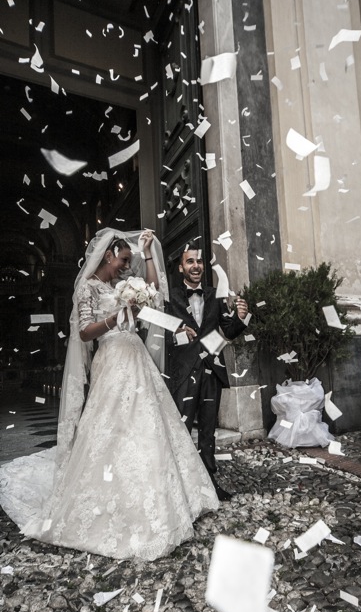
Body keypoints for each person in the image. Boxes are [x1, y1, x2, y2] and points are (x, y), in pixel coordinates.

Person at [0, 228, 219, 560]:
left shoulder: (122, 285)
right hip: (112, 359)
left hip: (136, 358)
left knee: (147, 425)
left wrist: (148, 255)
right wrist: (116, 318)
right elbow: (85, 332)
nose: (127, 267)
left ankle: (166, 496)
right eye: (124, 260)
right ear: (108, 255)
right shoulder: (87, 288)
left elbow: (152, 296)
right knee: (112, 427)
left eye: (129, 262)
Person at [165, 244, 248, 501]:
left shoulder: (215, 296)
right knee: (182, 429)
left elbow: (227, 331)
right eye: (190, 261)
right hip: (183, 372)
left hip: (212, 370)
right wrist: (178, 334)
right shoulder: (170, 297)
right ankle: (181, 487)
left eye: (199, 261)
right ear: (181, 267)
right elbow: (162, 337)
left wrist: (241, 318)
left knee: (208, 431)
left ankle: (209, 483)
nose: (196, 266)